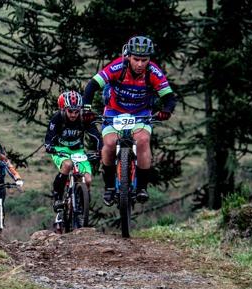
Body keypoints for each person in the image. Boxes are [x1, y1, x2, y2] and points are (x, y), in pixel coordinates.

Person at [83, 35, 177, 206]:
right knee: (109, 145)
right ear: (128, 56)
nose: (140, 64)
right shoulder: (118, 66)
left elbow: (169, 97)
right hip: (114, 112)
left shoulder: (153, 72)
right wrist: (87, 110)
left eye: (144, 60)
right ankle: (110, 187)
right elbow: (92, 86)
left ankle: (141, 187)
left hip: (141, 113)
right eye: (136, 59)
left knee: (143, 140)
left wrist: (166, 111)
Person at [44, 90, 102, 226]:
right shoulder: (57, 118)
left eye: (77, 111)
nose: (74, 115)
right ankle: (58, 196)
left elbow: (96, 136)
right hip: (60, 149)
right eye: (70, 111)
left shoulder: (84, 118)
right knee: (67, 165)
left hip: (78, 150)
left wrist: (101, 149)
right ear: (63, 109)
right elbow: (49, 137)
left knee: (87, 179)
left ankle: (82, 206)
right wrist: (49, 147)